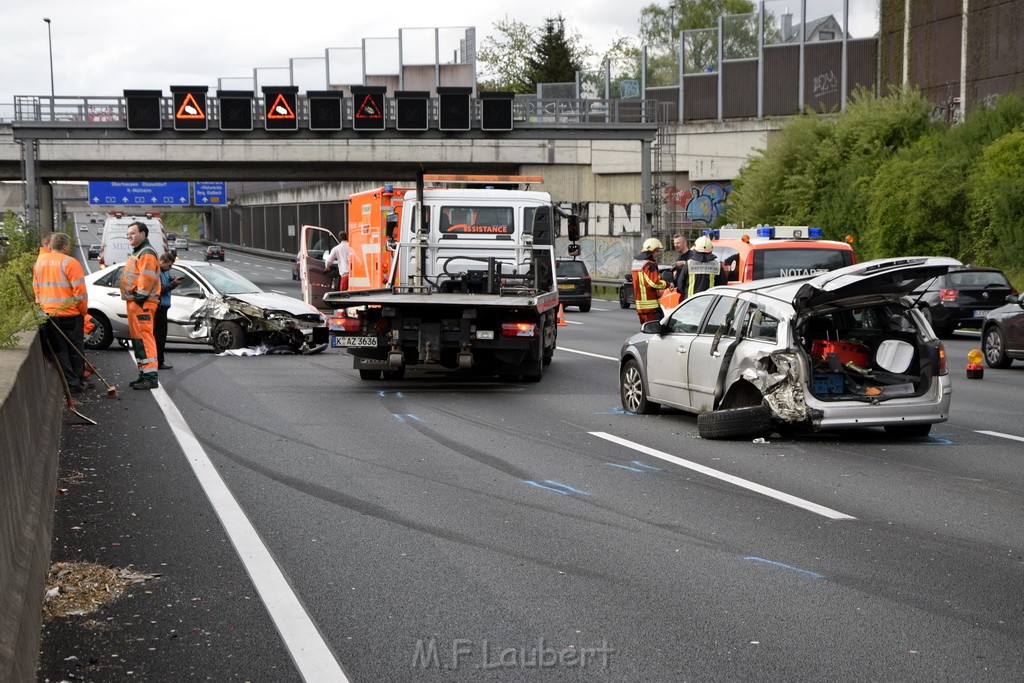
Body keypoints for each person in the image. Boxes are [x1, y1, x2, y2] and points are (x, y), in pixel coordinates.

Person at [32, 232, 89, 393]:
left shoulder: (40, 263)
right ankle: (77, 382)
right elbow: (81, 293)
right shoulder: (70, 263)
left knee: (60, 351)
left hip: (50, 315)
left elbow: (36, 289)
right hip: (70, 315)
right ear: (64, 246)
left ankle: (70, 382)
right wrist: (82, 312)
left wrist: (43, 307)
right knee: (76, 350)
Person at [120, 221, 162, 390]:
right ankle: (144, 373)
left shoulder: (146, 253)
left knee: (145, 339)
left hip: (142, 304)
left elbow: (148, 277)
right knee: (138, 340)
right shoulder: (139, 252)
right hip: (136, 303)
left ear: (143, 234)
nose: (129, 236)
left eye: (132, 233)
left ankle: (151, 377)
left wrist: (140, 297)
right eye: (128, 234)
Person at [632, 237, 670, 325]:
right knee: (657, 331)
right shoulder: (649, 264)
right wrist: (668, 284)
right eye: (657, 251)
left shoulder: (636, 263)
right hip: (651, 306)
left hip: (641, 306)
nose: (658, 253)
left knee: (646, 331)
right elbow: (654, 283)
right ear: (651, 251)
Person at [155, 252, 183, 370]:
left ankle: (159, 361)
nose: (170, 268)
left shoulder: (165, 272)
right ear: (163, 262)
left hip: (163, 308)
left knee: (161, 336)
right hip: (158, 308)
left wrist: (172, 279)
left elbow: (166, 283)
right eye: (169, 265)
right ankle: (158, 362)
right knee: (158, 337)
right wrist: (173, 284)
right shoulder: (157, 272)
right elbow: (160, 290)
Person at [677, 234, 728, 299]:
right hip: (709, 305)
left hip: (691, 304)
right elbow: (722, 286)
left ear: (695, 249)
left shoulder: (689, 264)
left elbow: (680, 285)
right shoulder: (717, 265)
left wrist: (687, 295)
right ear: (711, 249)